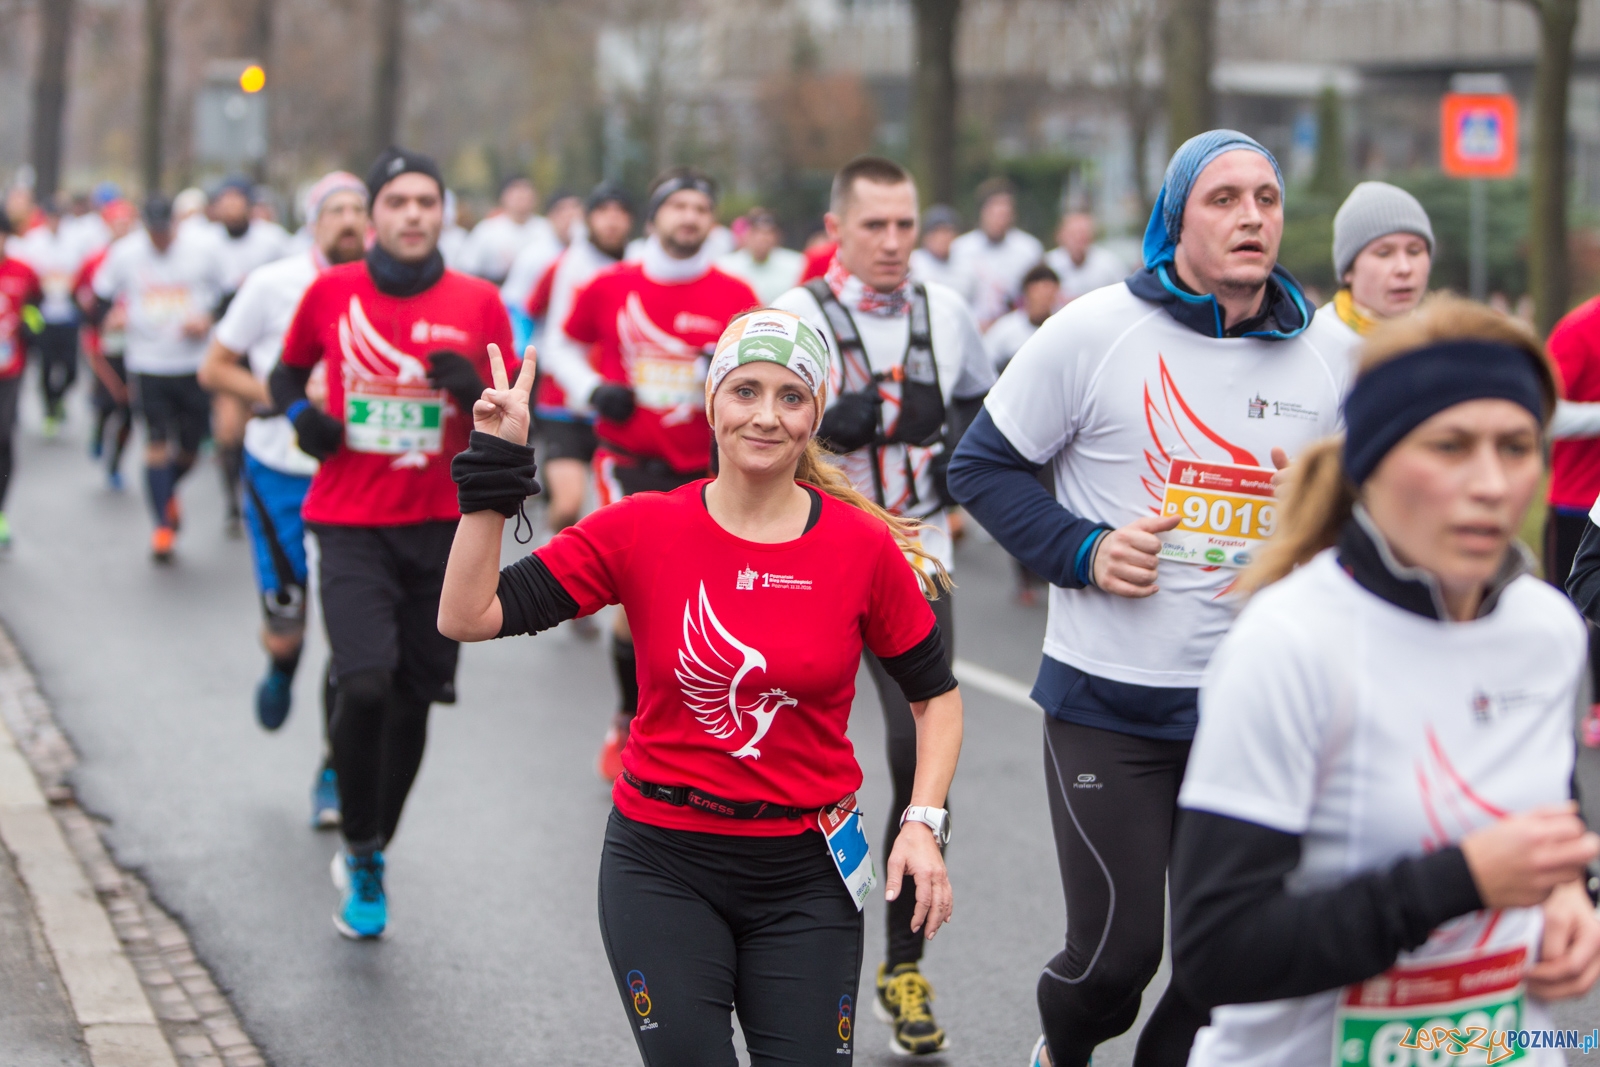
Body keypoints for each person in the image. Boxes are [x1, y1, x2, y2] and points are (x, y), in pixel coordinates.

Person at [437, 308, 962, 1066]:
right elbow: (468, 613)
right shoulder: (642, 527)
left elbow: (936, 696)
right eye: (745, 390)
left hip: (806, 871)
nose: (766, 415)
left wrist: (922, 819)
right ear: (713, 399)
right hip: (663, 862)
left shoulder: (860, 547)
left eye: (791, 397)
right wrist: (494, 466)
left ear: (814, 416)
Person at [947, 130, 1352, 1067]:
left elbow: (1367, 513)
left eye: (1267, 197)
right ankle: (1063, 1048)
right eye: (1224, 199)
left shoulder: (1328, 355)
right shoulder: (1095, 331)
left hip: (1254, 708)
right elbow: (983, 465)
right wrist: (1082, 549)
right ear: (1176, 221)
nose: (1252, 216)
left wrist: (1320, 531)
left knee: (1228, 966)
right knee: (1118, 958)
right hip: (1111, 704)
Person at [1172, 294, 1600, 1065]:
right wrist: (1460, 878)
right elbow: (1218, 952)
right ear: (1372, 458)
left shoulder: (1549, 630)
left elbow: (1547, 824)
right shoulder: (1290, 640)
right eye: (1450, 445)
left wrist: (1571, 896)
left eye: (1515, 446)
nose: (1492, 483)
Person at [770, 154, 993, 1056]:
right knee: (789, 754)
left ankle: (902, 966)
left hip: (919, 558)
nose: (896, 243)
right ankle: (781, 936)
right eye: (876, 227)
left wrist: (963, 462)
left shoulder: (949, 312)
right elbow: (738, 429)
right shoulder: (792, 319)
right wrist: (814, 425)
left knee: (917, 761)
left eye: (906, 225)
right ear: (836, 230)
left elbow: (986, 412)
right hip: (817, 554)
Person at [268, 148, 514, 938]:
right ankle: (359, 840)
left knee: (413, 700)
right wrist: (304, 420)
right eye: (398, 201)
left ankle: (376, 847)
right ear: (372, 215)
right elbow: (282, 376)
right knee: (365, 681)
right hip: (348, 521)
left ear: (444, 212)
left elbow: (513, 414)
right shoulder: (332, 290)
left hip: (445, 532)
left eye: (427, 201)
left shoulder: (479, 301)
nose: (413, 214)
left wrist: (470, 389)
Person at [545, 167, 758, 783]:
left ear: (711, 222)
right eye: (678, 206)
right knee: (642, 593)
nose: (689, 217)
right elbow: (561, 344)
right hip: (627, 460)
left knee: (705, 601)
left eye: (700, 207)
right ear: (654, 219)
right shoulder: (611, 285)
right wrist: (594, 389)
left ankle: (689, 723)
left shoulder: (734, 293)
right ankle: (626, 718)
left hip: (707, 466)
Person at [198, 171, 368, 834]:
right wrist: (287, 402)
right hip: (279, 470)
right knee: (289, 624)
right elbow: (214, 368)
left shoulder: (388, 291)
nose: (350, 220)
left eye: (360, 209)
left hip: (357, 475)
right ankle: (280, 662)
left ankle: (332, 767)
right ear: (313, 221)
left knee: (352, 637)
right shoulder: (273, 283)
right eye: (337, 210)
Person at [90, 194, 224, 561]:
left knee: (191, 448)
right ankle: (162, 526)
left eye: (166, 232)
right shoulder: (126, 253)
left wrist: (208, 318)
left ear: (176, 225)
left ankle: (167, 492)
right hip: (147, 362)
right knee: (156, 442)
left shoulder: (202, 251)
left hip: (192, 363)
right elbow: (99, 296)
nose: (160, 239)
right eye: (154, 232)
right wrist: (111, 317)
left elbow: (228, 294)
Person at [528, 182, 635, 553]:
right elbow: (533, 316)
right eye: (603, 212)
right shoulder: (564, 266)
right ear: (589, 219)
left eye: (620, 214)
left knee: (616, 517)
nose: (612, 222)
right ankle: (550, 543)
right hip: (564, 403)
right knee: (569, 504)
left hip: (621, 404)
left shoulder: (638, 268)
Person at [207, 176, 293, 535]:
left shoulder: (273, 240)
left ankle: (262, 492)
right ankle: (233, 503)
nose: (230, 207)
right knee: (229, 430)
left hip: (264, 348)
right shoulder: (205, 245)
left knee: (269, 424)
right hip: (228, 344)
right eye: (223, 201)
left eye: (236, 200)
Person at [11, 195, 97, 434]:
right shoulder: (32, 241)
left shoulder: (75, 240)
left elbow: (84, 272)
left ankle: (58, 399)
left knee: (71, 369)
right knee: (46, 366)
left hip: (68, 314)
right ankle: (49, 409)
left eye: (57, 218)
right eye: (50, 218)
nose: (54, 222)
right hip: (42, 315)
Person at [75, 199, 138, 489]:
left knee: (129, 410)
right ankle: (99, 433)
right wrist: (102, 320)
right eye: (117, 223)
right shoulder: (94, 260)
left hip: (137, 346)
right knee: (107, 402)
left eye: (127, 223)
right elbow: (80, 297)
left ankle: (115, 463)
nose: (122, 229)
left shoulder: (143, 257)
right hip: (103, 344)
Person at [1323, 181, 1434, 341]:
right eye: (1384, 253)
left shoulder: (1444, 343)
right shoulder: (1312, 344)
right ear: (1348, 270)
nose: (1404, 268)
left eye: (1414, 251)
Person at [950, 178, 1044, 330]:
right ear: (982, 212)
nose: (999, 219)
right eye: (994, 212)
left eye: (1004, 213)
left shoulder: (1029, 250)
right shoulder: (960, 249)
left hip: (1015, 334)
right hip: (971, 330)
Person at [0, 215, 42, 548]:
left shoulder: (23, 271)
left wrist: (32, 325)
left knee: (3, 436)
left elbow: (35, 307)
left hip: (9, 370)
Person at [461, 176, 558, 287]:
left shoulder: (547, 229)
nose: (522, 195)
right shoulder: (487, 230)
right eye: (516, 191)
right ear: (503, 197)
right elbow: (467, 268)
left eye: (527, 190)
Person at [717, 208, 804, 304]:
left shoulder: (797, 264)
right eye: (757, 232)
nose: (762, 238)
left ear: (777, 236)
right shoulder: (725, 266)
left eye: (768, 233)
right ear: (747, 234)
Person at [984, 263, 1060, 373]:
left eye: (1049, 293)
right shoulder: (1006, 327)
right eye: (1039, 292)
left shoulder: (1062, 326)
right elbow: (987, 360)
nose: (1043, 298)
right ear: (1027, 292)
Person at [1044, 212, 1126, 304]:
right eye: (1073, 234)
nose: (1078, 238)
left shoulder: (1110, 264)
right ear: (1060, 235)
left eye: (1083, 234)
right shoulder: (1048, 263)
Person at [908, 205, 976, 307]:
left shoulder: (966, 267)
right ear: (925, 237)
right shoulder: (913, 263)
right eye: (936, 232)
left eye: (947, 231)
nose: (942, 238)